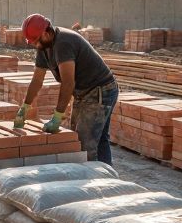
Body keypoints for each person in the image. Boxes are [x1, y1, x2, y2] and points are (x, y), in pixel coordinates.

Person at [14, 13, 119, 164]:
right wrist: (24, 107)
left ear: (46, 32)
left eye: (36, 41)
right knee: (89, 138)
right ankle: (107, 179)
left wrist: (57, 116)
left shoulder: (63, 43)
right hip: (85, 92)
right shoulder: (43, 47)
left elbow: (68, 83)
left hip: (100, 90)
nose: (35, 45)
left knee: (84, 144)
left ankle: (96, 181)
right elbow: (37, 80)